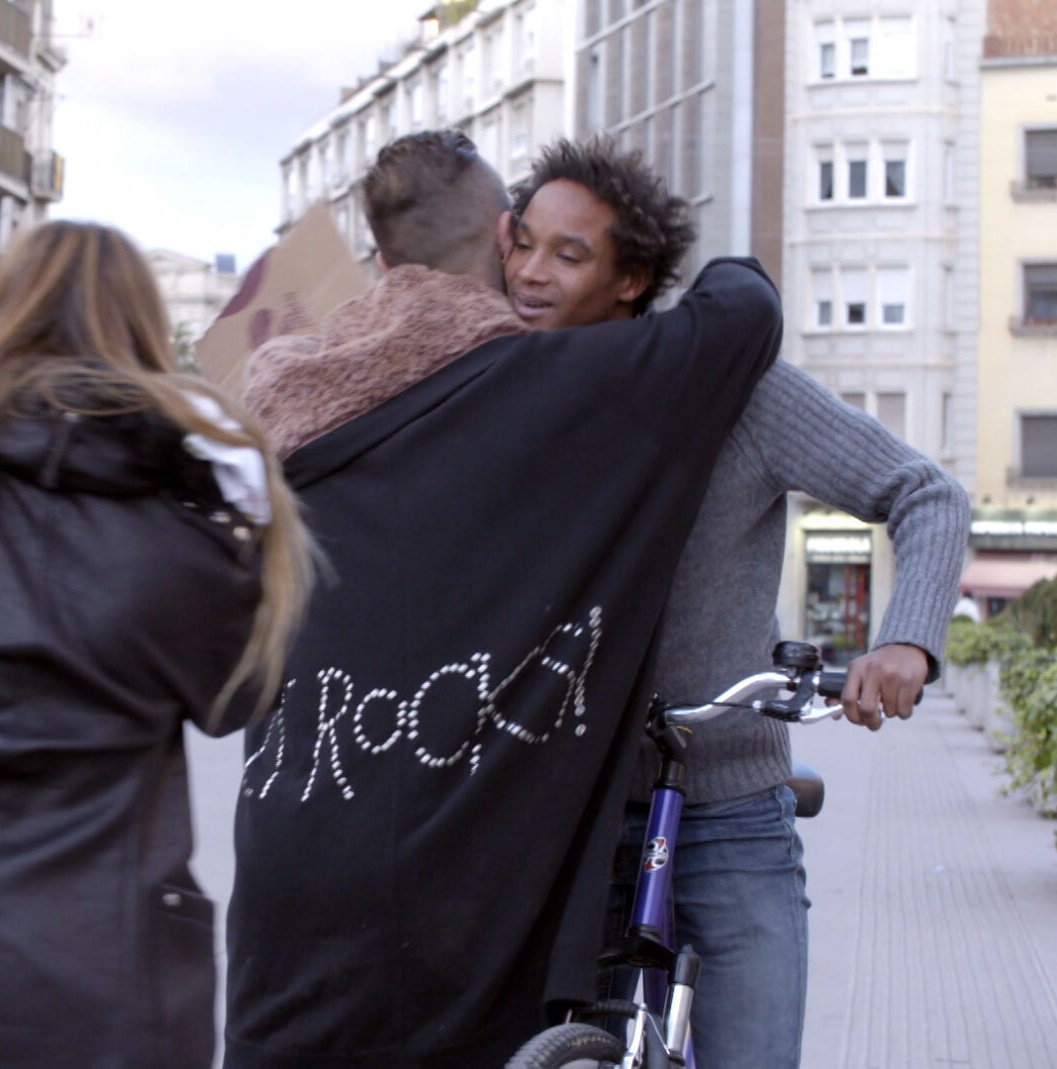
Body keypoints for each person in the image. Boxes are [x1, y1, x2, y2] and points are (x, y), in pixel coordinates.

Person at [226, 130, 781, 1068]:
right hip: (452, 897)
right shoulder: (565, 386)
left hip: (288, 852)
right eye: (528, 238)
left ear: (381, 255)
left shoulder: (285, 402)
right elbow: (744, 309)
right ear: (501, 234)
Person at [503, 137, 970, 1069]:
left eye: (567, 253)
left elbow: (926, 493)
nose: (528, 272)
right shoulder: (507, 387)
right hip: (568, 805)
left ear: (633, 278)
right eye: (520, 242)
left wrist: (906, 642)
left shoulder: (735, 391)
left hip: (726, 803)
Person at [0, 220, 312, 1069]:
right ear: (139, 336)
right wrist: (229, 512)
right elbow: (246, 695)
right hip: (114, 989)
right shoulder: (173, 543)